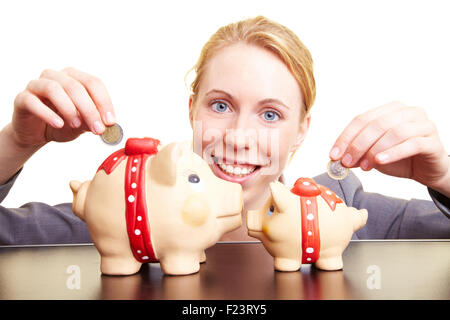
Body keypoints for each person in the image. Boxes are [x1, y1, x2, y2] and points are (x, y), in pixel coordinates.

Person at [0, 16, 448, 245]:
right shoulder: (122, 214)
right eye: (220, 105)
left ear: (301, 131)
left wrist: (444, 178)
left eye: (270, 114)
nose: (239, 136)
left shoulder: (349, 217)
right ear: (191, 109)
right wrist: (14, 145)